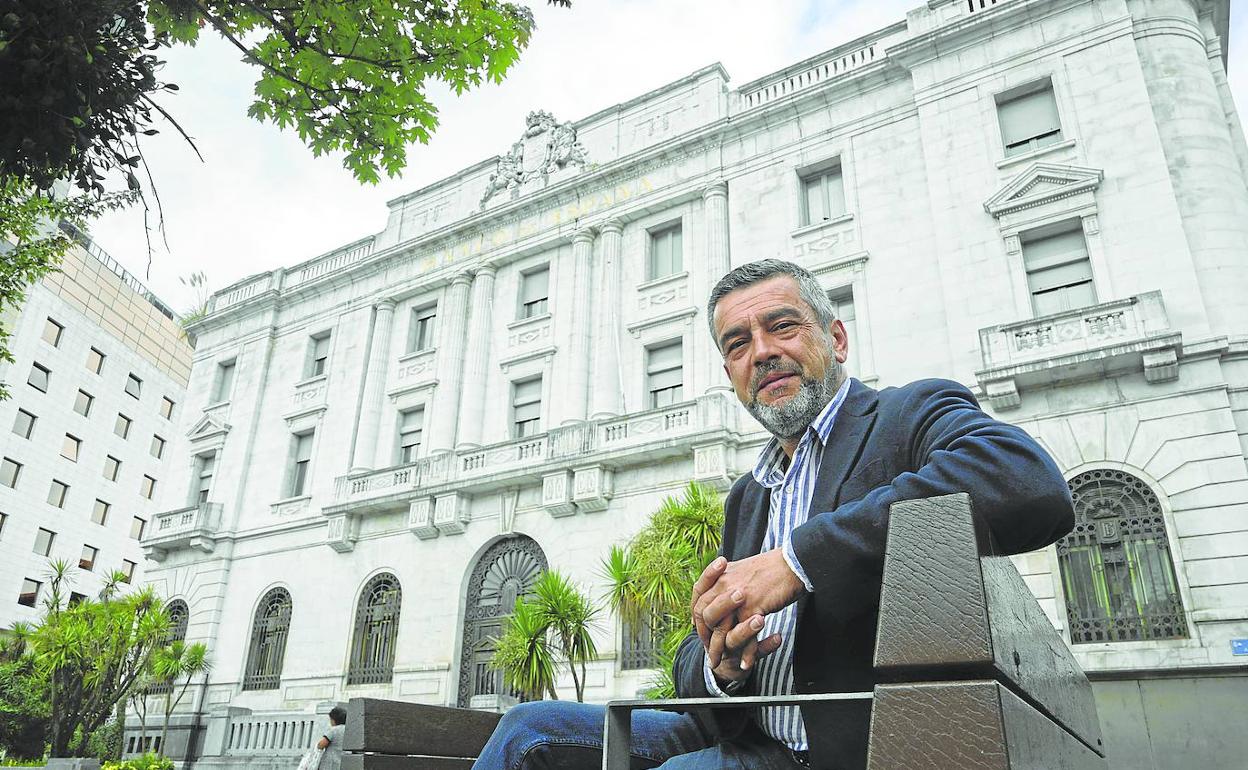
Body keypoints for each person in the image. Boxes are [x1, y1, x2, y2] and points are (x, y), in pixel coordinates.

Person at [472, 259, 1074, 770]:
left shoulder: (905, 416)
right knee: (526, 731)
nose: (761, 352)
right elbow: (698, 653)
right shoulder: (748, 493)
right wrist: (719, 665)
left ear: (835, 340)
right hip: (738, 726)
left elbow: (1025, 479)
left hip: (835, 743)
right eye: (737, 344)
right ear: (730, 374)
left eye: (781, 326)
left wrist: (798, 560)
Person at [316, 706, 347, 770]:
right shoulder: (349, 730)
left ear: (333, 719)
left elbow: (321, 745)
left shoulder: (334, 730)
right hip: (343, 763)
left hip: (330, 764)